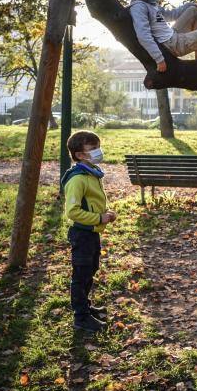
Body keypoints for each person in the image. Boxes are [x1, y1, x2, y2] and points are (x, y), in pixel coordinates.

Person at [62, 130, 116, 333]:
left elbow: (92, 202)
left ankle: (86, 306)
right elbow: (73, 211)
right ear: (79, 155)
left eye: (97, 147)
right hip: (82, 234)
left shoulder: (92, 172)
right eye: (92, 149)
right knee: (81, 275)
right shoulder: (77, 179)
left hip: (92, 233)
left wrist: (106, 213)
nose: (97, 152)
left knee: (90, 270)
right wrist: (97, 218)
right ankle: (81, 317)